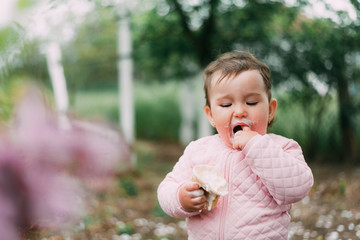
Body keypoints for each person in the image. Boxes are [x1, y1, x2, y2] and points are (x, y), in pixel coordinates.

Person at [157, 50, 314, 239]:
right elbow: (166, 189)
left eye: (251, 102)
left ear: (270, 110)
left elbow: (298, 188)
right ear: (211, 115)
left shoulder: (282, 148)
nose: (239, 111)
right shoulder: (198, 150)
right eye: (226, 105)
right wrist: (180, 198)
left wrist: (256, 146)